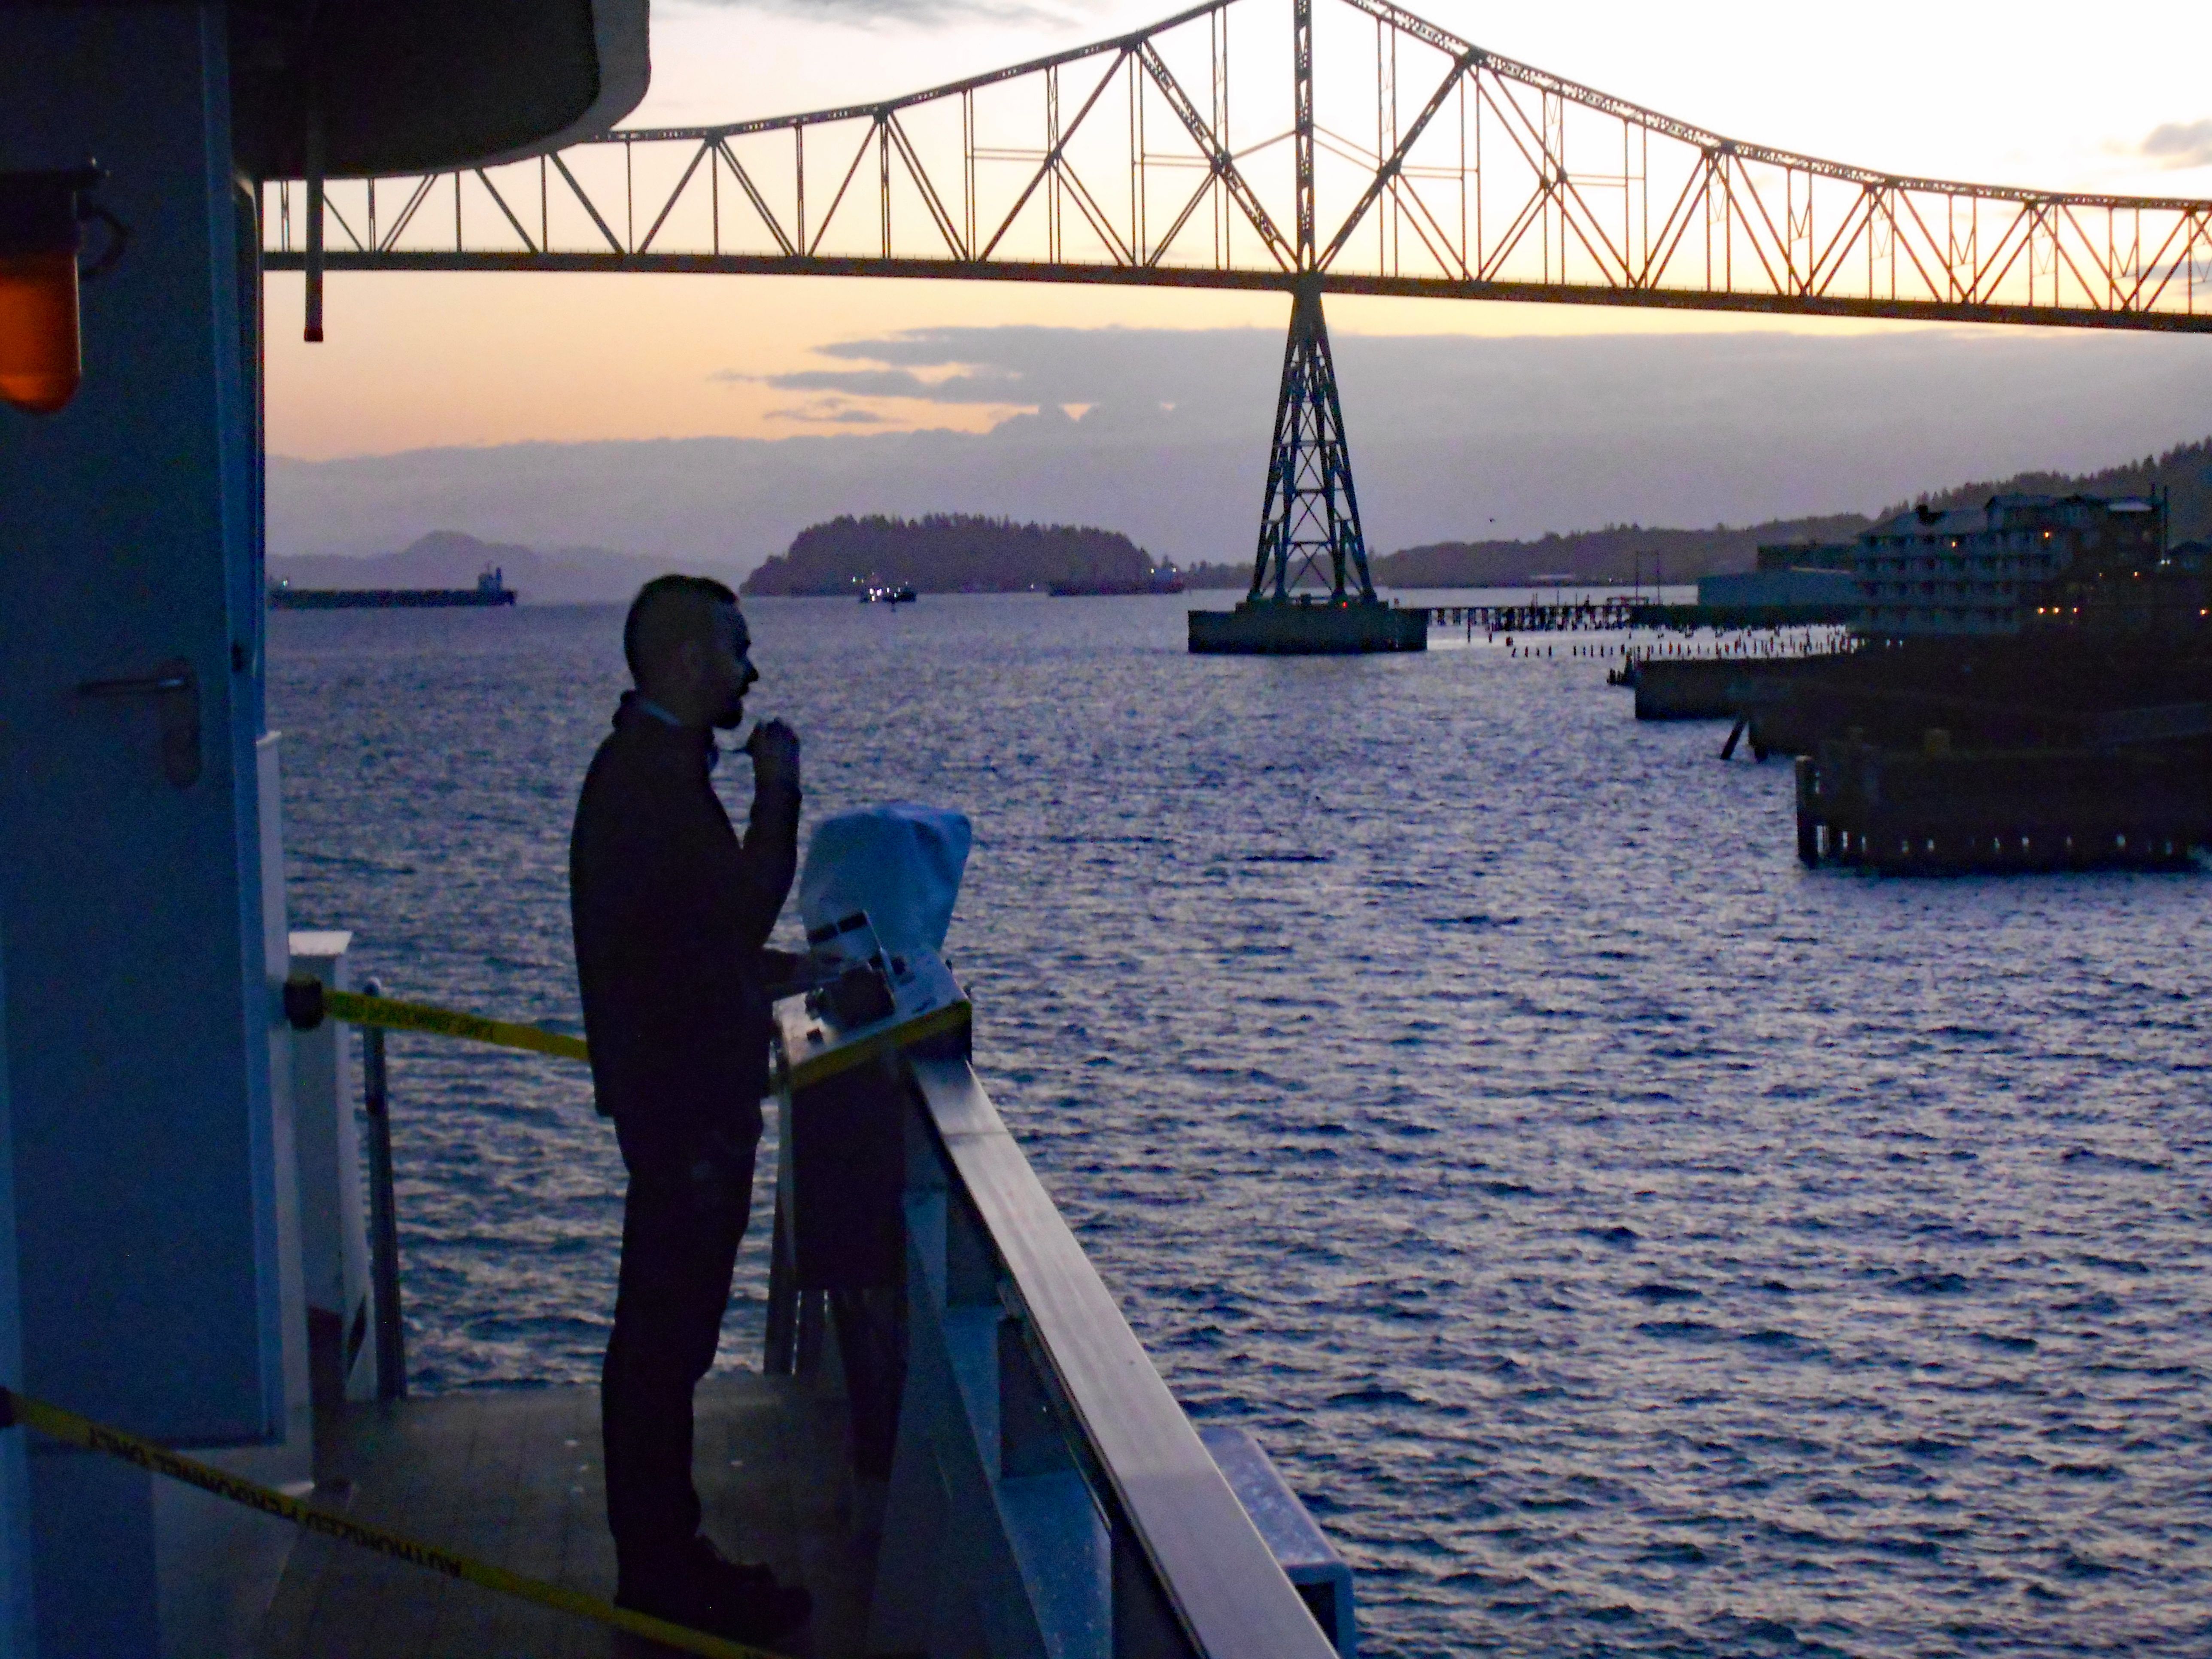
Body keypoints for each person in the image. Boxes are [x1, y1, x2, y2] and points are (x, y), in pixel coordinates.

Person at [569, 574, 813, 1644]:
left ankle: (665, 1557)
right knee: (663, 1347)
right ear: (683, 660)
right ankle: (662, 1577)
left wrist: (775, 976)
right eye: (734, 649)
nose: (749, 672)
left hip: (670, 1104)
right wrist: (780, 790)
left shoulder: (639, 773)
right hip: (686, 1116)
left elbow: (684, 941)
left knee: (663, 1343)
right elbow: (739, 906)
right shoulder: (654, 786)